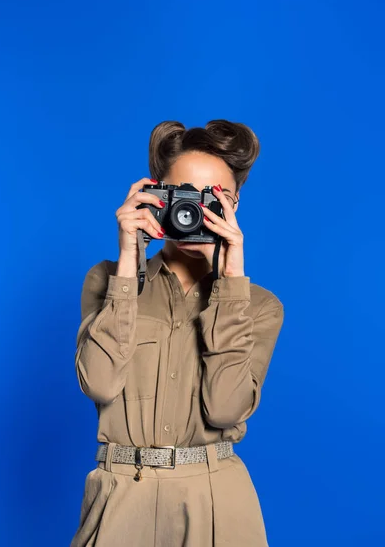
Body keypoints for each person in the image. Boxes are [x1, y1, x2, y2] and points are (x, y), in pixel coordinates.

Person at [70, 119, 285, 547]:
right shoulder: (107, 281)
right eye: (184, 195)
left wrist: (231, 281)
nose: (196, 210)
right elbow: (99, 383)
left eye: (215, 198)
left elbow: (225, 410)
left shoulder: (260, 306)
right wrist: (128, 260)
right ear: (155, 194)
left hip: (214, 500)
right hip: (120, 495)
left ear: (235, 204)